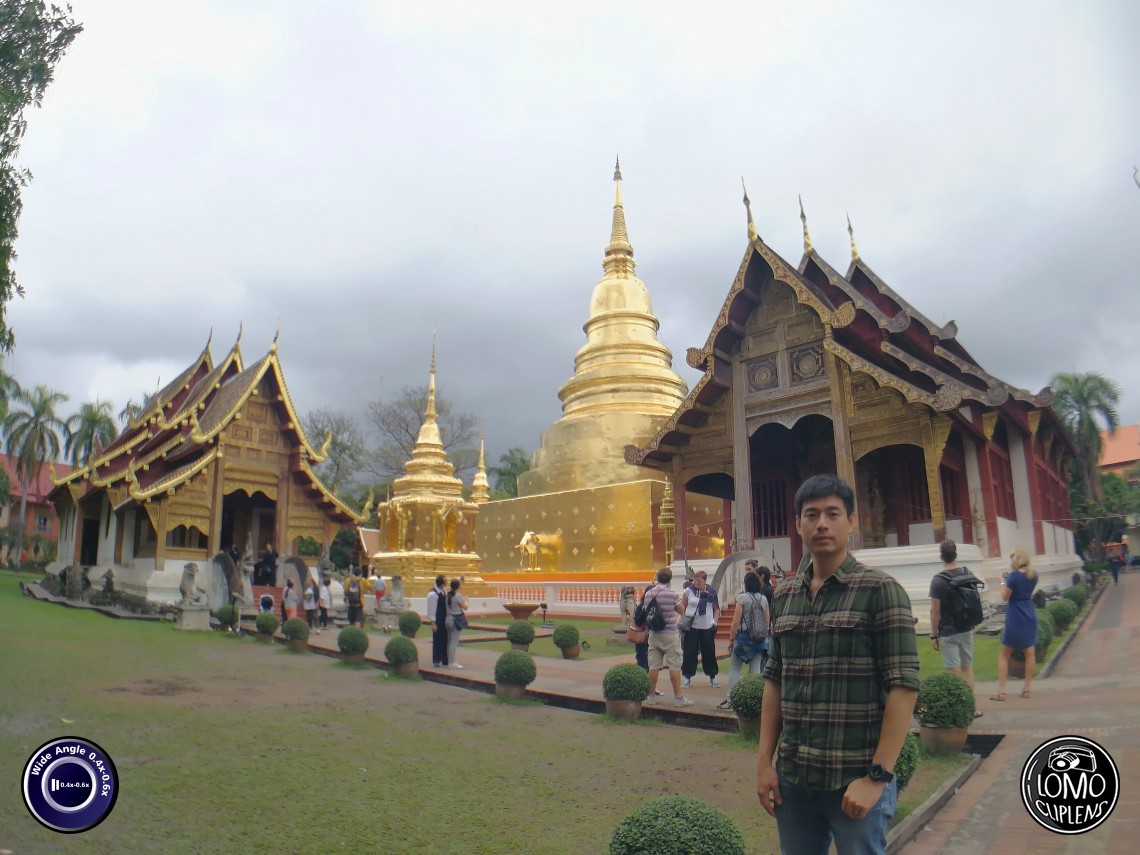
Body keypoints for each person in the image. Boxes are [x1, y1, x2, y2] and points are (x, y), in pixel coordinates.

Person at [757, 474, 920, 855]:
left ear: (852, 521)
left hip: (855, 779)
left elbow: (904, 686)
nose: (822, 524)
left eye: (833, 514)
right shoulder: (784, 597)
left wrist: (877, 778)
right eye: (811, 515)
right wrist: (765, 763)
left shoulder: (880, 591)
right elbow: (774, 681)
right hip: (794, 780)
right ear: (798, 525)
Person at [929, 539, 982, 717]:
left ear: (941, 556)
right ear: (956, 554)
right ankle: (971, 708)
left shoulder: (938, 581)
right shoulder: (967, 573)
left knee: (953, 672)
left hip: (948, 631)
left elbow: (935, 611)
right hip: (967, 627)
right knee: (967, 668)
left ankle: (958, 710)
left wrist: (932, 634)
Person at [718, 571, 770, 710]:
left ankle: (731, 700)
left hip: (743, 637)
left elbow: (735, 621)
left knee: (735, 668)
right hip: (759, 639)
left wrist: (731, 639)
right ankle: (754, 701)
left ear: (746, 584)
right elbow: (767, 620)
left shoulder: (742, 598)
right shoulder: (763, 599)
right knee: (755, 670)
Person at [992, 548, 1038, 701]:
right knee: (1029, 652)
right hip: (1029, 611)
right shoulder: (1033, 575)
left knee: (1004, 654)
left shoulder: (1013, 577)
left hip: (1015, 613)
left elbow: (1005, 596)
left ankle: (1001, 691)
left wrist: (1002, 582)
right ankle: (1027, 689)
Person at [645, 567, 692, 707]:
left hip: (654, 633)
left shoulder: (649, 593)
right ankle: (678, 699)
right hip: (670, 633)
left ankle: (651, 696)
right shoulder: (672, 594)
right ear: (670, 579)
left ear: (657, 577)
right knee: (674, 666)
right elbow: (681, 610)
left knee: (653, 666)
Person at [679, 569, 720, 689]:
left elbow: (716, 609)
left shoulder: (711, 592)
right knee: (690, 652)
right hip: (692, 626)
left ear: (705, 581)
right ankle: (687, 677)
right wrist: (683, 618)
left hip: (707, 626)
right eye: (695, 581)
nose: (696, 583)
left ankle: (712, 676)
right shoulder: (688, 591)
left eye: (699, 581)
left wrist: (715, 622)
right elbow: (683, 606)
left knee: (709, 652)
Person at [426, 575, 450, 667]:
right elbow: (431, 610)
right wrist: (433, 624)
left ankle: (444, 659)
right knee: (437, 640)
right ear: (442, 583)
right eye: (445, 581)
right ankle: (436, 660)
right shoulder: (432, 594)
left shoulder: (444, 590)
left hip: (444, 618)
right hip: (437, 620)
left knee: (445, 639)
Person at [446, 578, 469, 668]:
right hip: (455, 619)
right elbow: (465, 607)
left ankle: (448, 660)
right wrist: (466, 599)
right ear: (458, 586)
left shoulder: (447, 595)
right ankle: (452, 662)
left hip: (447, 618)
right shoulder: (458, 596)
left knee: (449, 641)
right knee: (454, 641)